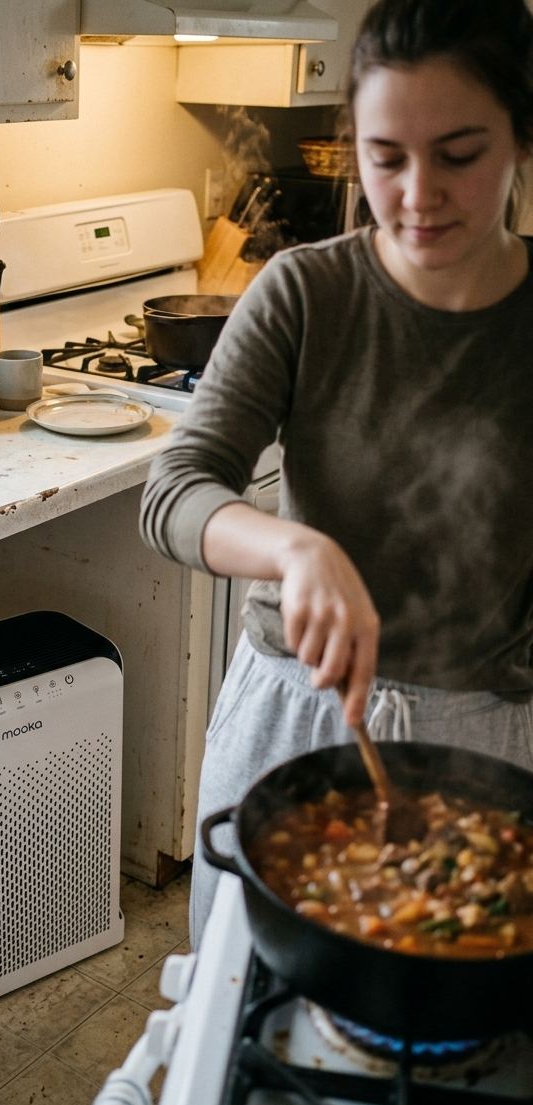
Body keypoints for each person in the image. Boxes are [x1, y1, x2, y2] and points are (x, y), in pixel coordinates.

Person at [140, 0, 533, 947]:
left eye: (459, 154)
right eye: (385, 156)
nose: (416, 195)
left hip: (487, 738)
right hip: (297, 719)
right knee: (248, 1003)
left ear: (522, 138)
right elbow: (176, 491)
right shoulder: (305, 293)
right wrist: (294, 549)